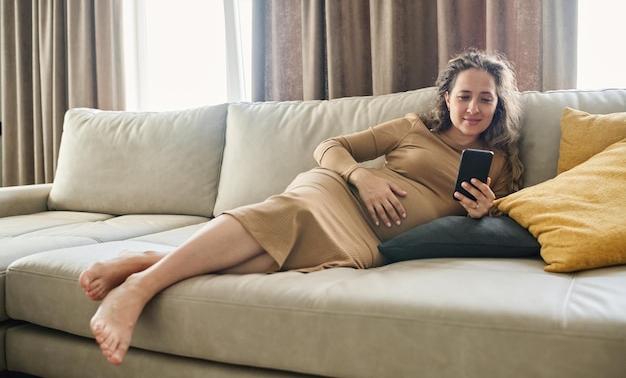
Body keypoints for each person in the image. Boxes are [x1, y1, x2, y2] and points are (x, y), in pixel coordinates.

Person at [79, 49, 523, 365]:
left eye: (486, 98)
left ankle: (146, 259)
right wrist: (362, 176)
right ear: (447, 98)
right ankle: (138, 290)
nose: (473, 107)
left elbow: (496, 218)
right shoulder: (412, 129)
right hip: (334, 194)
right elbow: (330, 147)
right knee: (283, 217)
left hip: (366, 241)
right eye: (465, 95)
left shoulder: (500, 163)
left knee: (262, 258)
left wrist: (483, 212)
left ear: (498, 104)